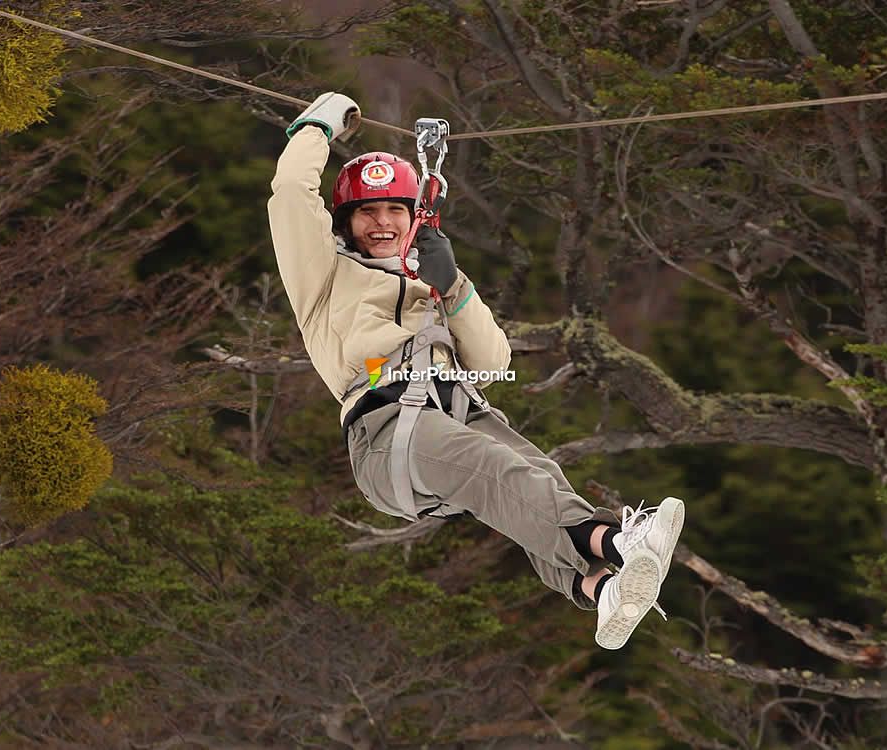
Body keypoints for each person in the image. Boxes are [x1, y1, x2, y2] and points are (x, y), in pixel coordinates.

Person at [267, 92, 685, 649]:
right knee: (499, 470)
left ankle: (597, 588)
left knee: (540, 475)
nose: (384, 222)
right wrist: (322, 120)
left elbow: (492, 363)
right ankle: (616, 544)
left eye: (395, 210)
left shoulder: (429, 284)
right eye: (368, 212)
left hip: (455, 410)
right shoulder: (324, 277)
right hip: (388, 429)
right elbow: (292, 195)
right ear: (345, 224)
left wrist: (454, 284)